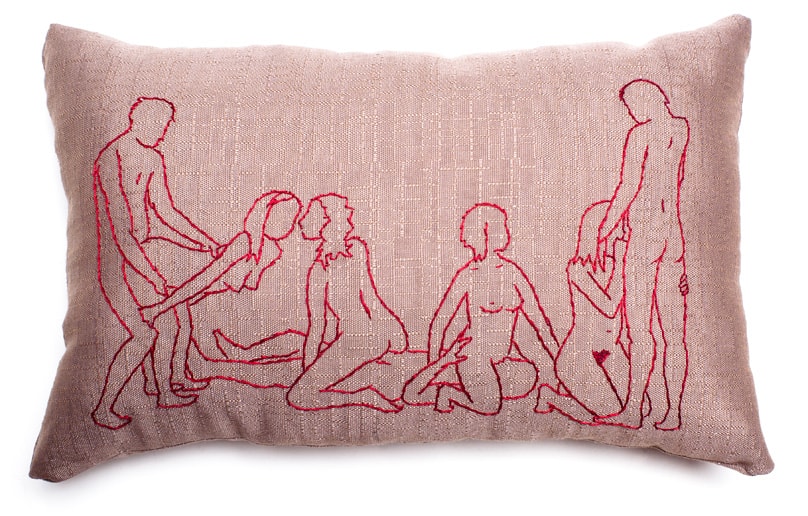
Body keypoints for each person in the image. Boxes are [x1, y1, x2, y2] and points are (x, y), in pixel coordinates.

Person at [92, 97, 220, 429]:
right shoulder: (112, 157)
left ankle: (163, 389)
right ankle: (104, 408)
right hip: (121, 260)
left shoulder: (151, 157)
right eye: (160, 126)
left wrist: (202, 241)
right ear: (140, 120)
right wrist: (151, 275)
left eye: (165, 127)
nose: (163, 134)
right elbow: (121, 231)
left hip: (145, 253)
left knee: (174, 321)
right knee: (145, 334)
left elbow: (165, 213)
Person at [592, 79, 690, 429]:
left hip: (645, 235)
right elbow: (676, 182)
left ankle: (633, 409)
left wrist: (604, 230)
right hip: (673, 237)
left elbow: (629, 186)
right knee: (673, 334)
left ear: (645, 101)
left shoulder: (642, 134)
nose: (632, 113)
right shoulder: (681, 129)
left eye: (632, 106)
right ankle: (673, 414)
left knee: (639, 328)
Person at [403, 203, 558, 415]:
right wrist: (437, 362)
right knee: (489, 407)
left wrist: (558, 358)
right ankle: (449, 392)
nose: (506, 231)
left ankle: (458, 385)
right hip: (474, 356)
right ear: (485, 233)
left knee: (528, 376)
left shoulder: (511, 272)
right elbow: (441, 322)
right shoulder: (469, 275)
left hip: (502, 358)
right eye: (501, 226)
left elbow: (538, 320)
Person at [141, 190, 307, 389]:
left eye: (292, 218)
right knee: (175, 326)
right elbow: (205, 277)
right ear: (264, 215)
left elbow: (241, 284)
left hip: (191, 287)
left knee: (180, 326)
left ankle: (170, 379)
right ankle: (162, 382)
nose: (288, 224)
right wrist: (160, 307)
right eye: (281, 216)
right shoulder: (244, 242)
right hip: (171, 271)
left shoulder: (269, 250)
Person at [285, 194, 410, 412]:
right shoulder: (355, 249)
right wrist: (393, 332)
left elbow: (318, 327)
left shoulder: (321, 268)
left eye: (310, 215)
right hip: (374, 334)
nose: (302, 221)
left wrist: (308, 372)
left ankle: (365, 397)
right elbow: (370, 297)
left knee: (299, 397)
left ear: (326, 222)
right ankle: (362, 390)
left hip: (358, 339)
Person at [535, 201, 630, 423]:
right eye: (620, 227)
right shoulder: (578, 268)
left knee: (636, 409)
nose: (625, 234)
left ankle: (560, 397)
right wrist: (622, 264)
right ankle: (551, 397)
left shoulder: (618, 265)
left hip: (612, 351)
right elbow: (609, 307)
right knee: (611, 414)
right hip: (578, 355)